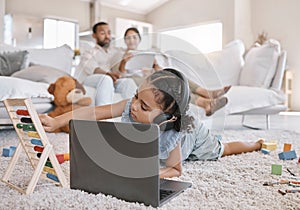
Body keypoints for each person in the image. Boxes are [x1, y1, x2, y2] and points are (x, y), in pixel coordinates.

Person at [40, 68, 263, 178]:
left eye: (144, 107)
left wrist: (150, 174)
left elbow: (175, 169)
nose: (134, 106)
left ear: (166, 117)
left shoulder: (173, 134)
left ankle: (255, 143)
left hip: (194, 137)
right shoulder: (131, 105)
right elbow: (94, 113)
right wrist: (56, 119)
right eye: (137, 96)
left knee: (223, 149)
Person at [118, 27, 230, 116]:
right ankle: (205, 101)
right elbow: (120, 77)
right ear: (124, 40)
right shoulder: (119, 55)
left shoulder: (145, 54)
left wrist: (156, 67)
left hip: (149, 77)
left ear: (139, 39)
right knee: (169, 83)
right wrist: (123, 62)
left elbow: (151, 71)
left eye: (134, 37)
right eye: (128, 38)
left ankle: (206, 93)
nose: (131, 40)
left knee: (174, 75)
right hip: (134, 80)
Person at [74, 22, 137, 105]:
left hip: (111, 80)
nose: (107, 36)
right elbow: (93, 68)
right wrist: (108, 74)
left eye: (109, 33)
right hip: (90, 79)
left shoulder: (115, 51)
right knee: (106, 79)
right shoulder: (89, 52)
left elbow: (125, 55)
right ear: (94, 35)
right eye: (102, 33)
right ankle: (103, 116)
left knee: (128, 82)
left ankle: (131, 113)